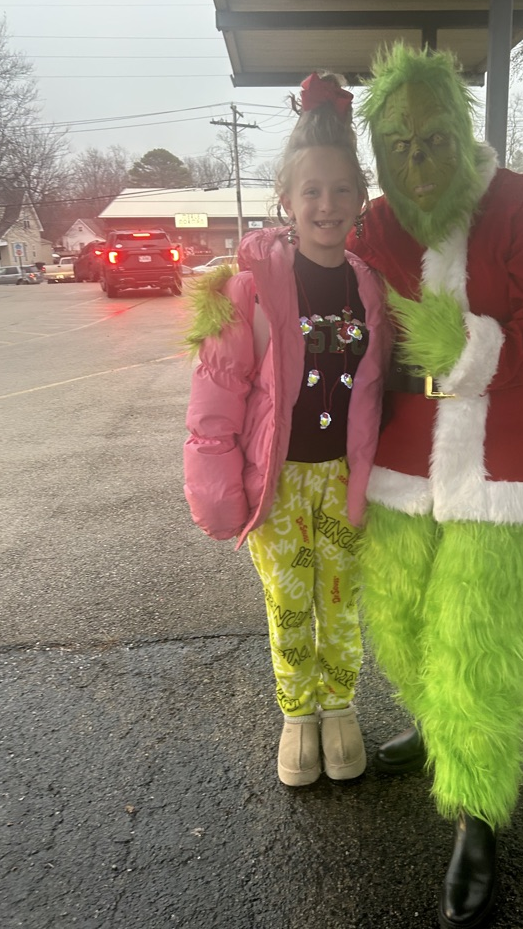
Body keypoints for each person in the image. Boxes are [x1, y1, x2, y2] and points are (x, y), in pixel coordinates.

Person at [350, 44, 523, 928]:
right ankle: (432, 723)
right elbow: (330, 295)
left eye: (433, 139)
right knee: (401, 620)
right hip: (402, 460)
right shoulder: (375, 223)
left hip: (500, 463)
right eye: (397, 146)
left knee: (473, 640)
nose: (417, 161)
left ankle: (476, 810)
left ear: (461, 126)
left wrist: (470, 348)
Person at [183, 72, 389, 788]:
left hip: (344, 481)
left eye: (341, 190)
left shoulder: (370, 289)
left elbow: (379, 391)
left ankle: (340, 707)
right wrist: (220, 494)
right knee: (289, 603)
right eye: (312, 191)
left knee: (342, 603)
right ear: (287, 200)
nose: (327, 205)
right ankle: (299, 714)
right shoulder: (250, 290)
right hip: (278, 486)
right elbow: (215, 402)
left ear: (359, 200)